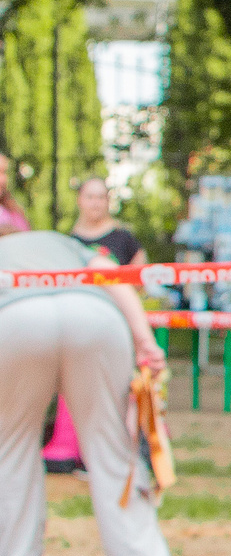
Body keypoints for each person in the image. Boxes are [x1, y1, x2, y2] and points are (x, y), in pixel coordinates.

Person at [0, 231, 170, 556]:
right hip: (94, 314)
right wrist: (145, 340)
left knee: (11, 445)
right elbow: (115, 279)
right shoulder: (68, 244)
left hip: (15, 316)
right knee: (112, 441)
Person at [45, 178, 147, 475]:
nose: (96, 203)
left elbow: (139, 280)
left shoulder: (125, 239)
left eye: (101, 197)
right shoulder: (67, 242)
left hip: (115, 326)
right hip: (76, 329)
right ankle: (70, 451)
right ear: (80, 200)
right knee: (73, 389)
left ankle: (119, 452)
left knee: (117, 388)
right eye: (90, 197)